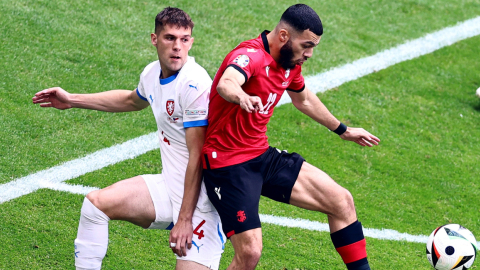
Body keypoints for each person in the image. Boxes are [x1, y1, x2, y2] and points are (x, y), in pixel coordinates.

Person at [32, 7, 225, 270]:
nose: (177, 46)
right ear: (154, 39)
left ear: (191, 41)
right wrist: (72, 100)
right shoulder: (151, 73)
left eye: (184, 39)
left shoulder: (194, 84)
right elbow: (131, 100)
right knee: (95, 206)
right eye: (170, 38)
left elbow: (197, 155)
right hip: (170, 187)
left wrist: (184, 219)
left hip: (202, 203)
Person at [201, 4, 380, 270]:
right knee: (250, 252)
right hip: (228, 165)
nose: (308, 54)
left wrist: (343, 130)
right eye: (306, 46)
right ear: (284, 36)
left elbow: (304, 100)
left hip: (261, 156)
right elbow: (227, 83)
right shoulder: (249, 56)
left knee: (341, 201)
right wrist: (242, 96)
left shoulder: (289, 63)